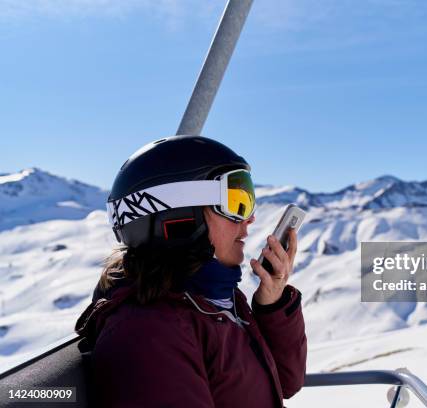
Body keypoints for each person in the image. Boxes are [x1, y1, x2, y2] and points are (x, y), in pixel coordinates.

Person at [75, 135, 307, 407]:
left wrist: (273, 303)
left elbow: (284, 383)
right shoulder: (149, 334)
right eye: (235, 202)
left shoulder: (214, 303)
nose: (249, 218)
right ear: (181, 217)